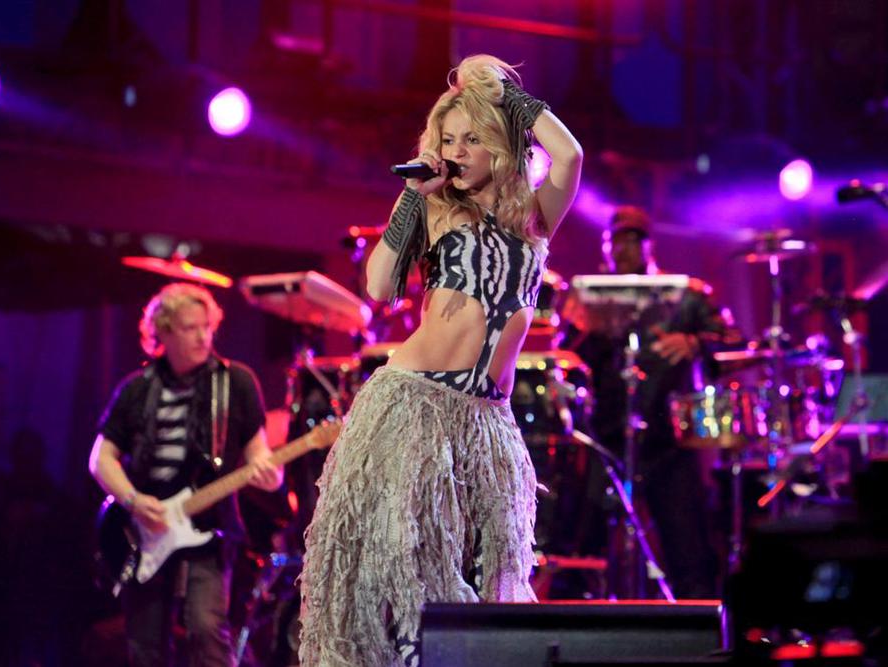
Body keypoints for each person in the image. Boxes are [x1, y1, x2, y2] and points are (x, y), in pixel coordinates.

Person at [299, 55, 583, 666]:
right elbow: (379, 284)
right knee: (408, 573)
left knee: (490, 577)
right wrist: (411, 195)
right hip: (415, 403)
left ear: (501, 143)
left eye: (471, 139)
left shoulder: (534, 217)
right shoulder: (435, 207)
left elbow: (569, 155)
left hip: (488, 419)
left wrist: (506, 99)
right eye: (448, 140)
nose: (456, 152)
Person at [89, 282, 284, 666]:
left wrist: (269, 475)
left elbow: (260, 456)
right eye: (189, 328)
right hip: (144, 530)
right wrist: (133, 500)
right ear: (162, 333)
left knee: (206, 628)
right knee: (144, 644)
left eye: (206, 326)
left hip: (210, 528)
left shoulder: (235, 382)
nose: (202, 336)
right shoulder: (137, 389)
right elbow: (101, 458)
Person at [563, 205, 742, 598]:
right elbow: (564, 356)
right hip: (606, 439)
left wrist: (693, 343)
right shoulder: (590, 300)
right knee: (587, 547)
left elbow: (732, 343)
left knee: (687, 546)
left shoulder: (686, 297)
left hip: (669, 441)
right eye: (616, 241)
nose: (624, 249)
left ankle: (697, 622)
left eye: (633, 241)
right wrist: (581, 327)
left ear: (649, 246)